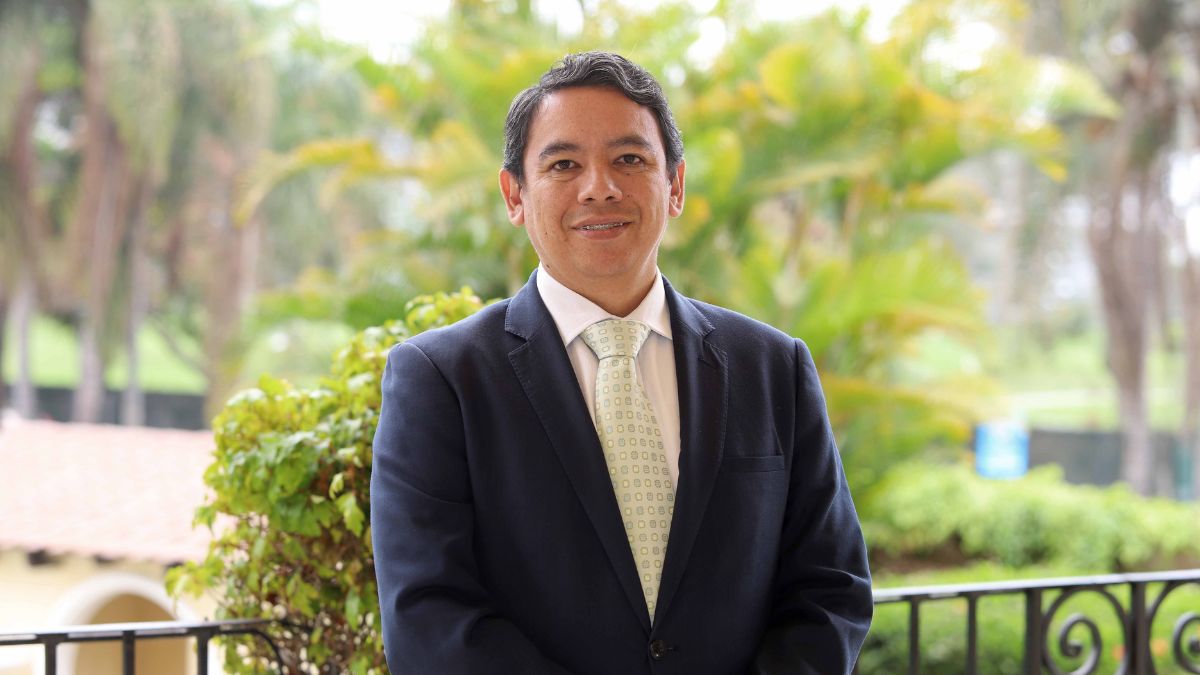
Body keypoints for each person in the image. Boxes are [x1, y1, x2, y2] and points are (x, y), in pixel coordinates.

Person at [371, 51, 873, 674]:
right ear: (514, 195)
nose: (599, 187)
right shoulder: (440, 378)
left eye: (630, 159)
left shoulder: (772, 367)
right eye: (563, 164)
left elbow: (830, 589)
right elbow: (428, 616)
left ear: (676, 185)